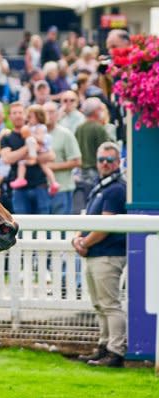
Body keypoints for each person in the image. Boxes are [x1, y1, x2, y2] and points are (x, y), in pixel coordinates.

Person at [74, 142, 127, 367]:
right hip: (95, 252)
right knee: (99, 304)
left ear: (118, 163)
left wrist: (84, 241)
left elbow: (105, 225)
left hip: (108, 253)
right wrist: (77, 238)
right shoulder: (100, 185)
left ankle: (115, 351)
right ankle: (104, 346)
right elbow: (89, 218)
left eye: (109, 160)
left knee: (109, 304)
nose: (105, 164)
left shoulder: (116, 188)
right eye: (101, 160)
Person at [0, 102, 55, 215]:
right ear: (10, 117)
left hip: (40, 186)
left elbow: (51, 156)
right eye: (14, 113)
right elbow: (7, 159)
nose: (18, 115)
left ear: (26, 115)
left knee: (44, 225)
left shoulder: (37, 132)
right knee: (22, 225)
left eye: (20, 112)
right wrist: (28, 147)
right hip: (19, 190)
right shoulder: (6, 138)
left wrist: (26, 157)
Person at [9, 105, 60, 197]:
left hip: (40, 152)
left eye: (30, 117)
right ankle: (53, 183)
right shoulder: (10, 135)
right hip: (37, 152)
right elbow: (7, 159)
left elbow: (43, 142)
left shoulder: (40, 127)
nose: (28, 119)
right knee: (44, 167)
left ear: (38, 117)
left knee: (22, 162)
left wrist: (30, 134)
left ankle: (21, 179)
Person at [74, 97, 110, 214]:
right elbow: (107, 149)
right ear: (96, 111)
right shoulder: (99, 128)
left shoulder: (79, 128)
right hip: (94, 171)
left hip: (80, 172)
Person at [44, 102, 81, 214]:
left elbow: (77, 161)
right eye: (45, 112)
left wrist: (51, 167)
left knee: (61, 229)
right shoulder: (35, 133)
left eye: (52, 112)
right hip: (41, 189)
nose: (48, 115)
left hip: (62, 188)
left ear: (57, 114)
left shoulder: (66, 134)